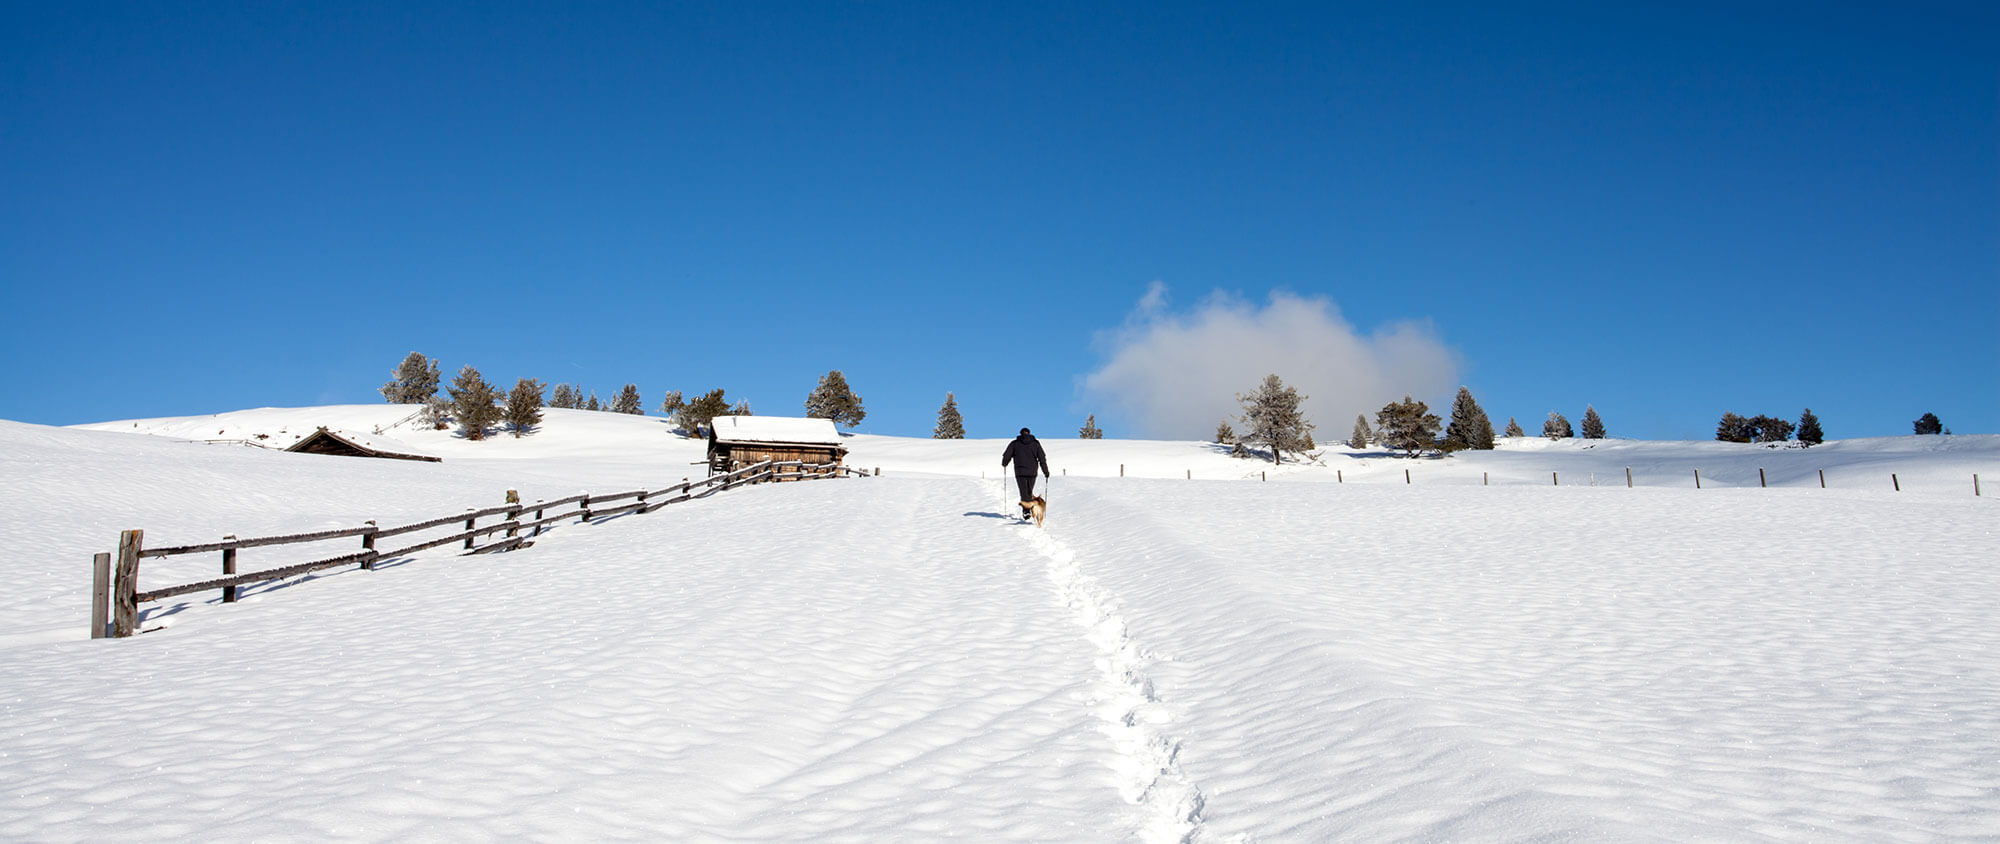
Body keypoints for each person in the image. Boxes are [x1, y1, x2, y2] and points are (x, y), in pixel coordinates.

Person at [1001, 427, 1049, 520]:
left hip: (1020, 472)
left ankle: (1026, 511)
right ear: (1029, 433)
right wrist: (1046, 472)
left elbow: (1007, 455)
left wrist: (1004, 463)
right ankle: (1029, 509)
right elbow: (1042, 458)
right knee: (1029, 491)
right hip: (1032, 472)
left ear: (1020, 434)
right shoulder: (1035, 444)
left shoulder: (1014, 443)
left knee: (1023, 492)